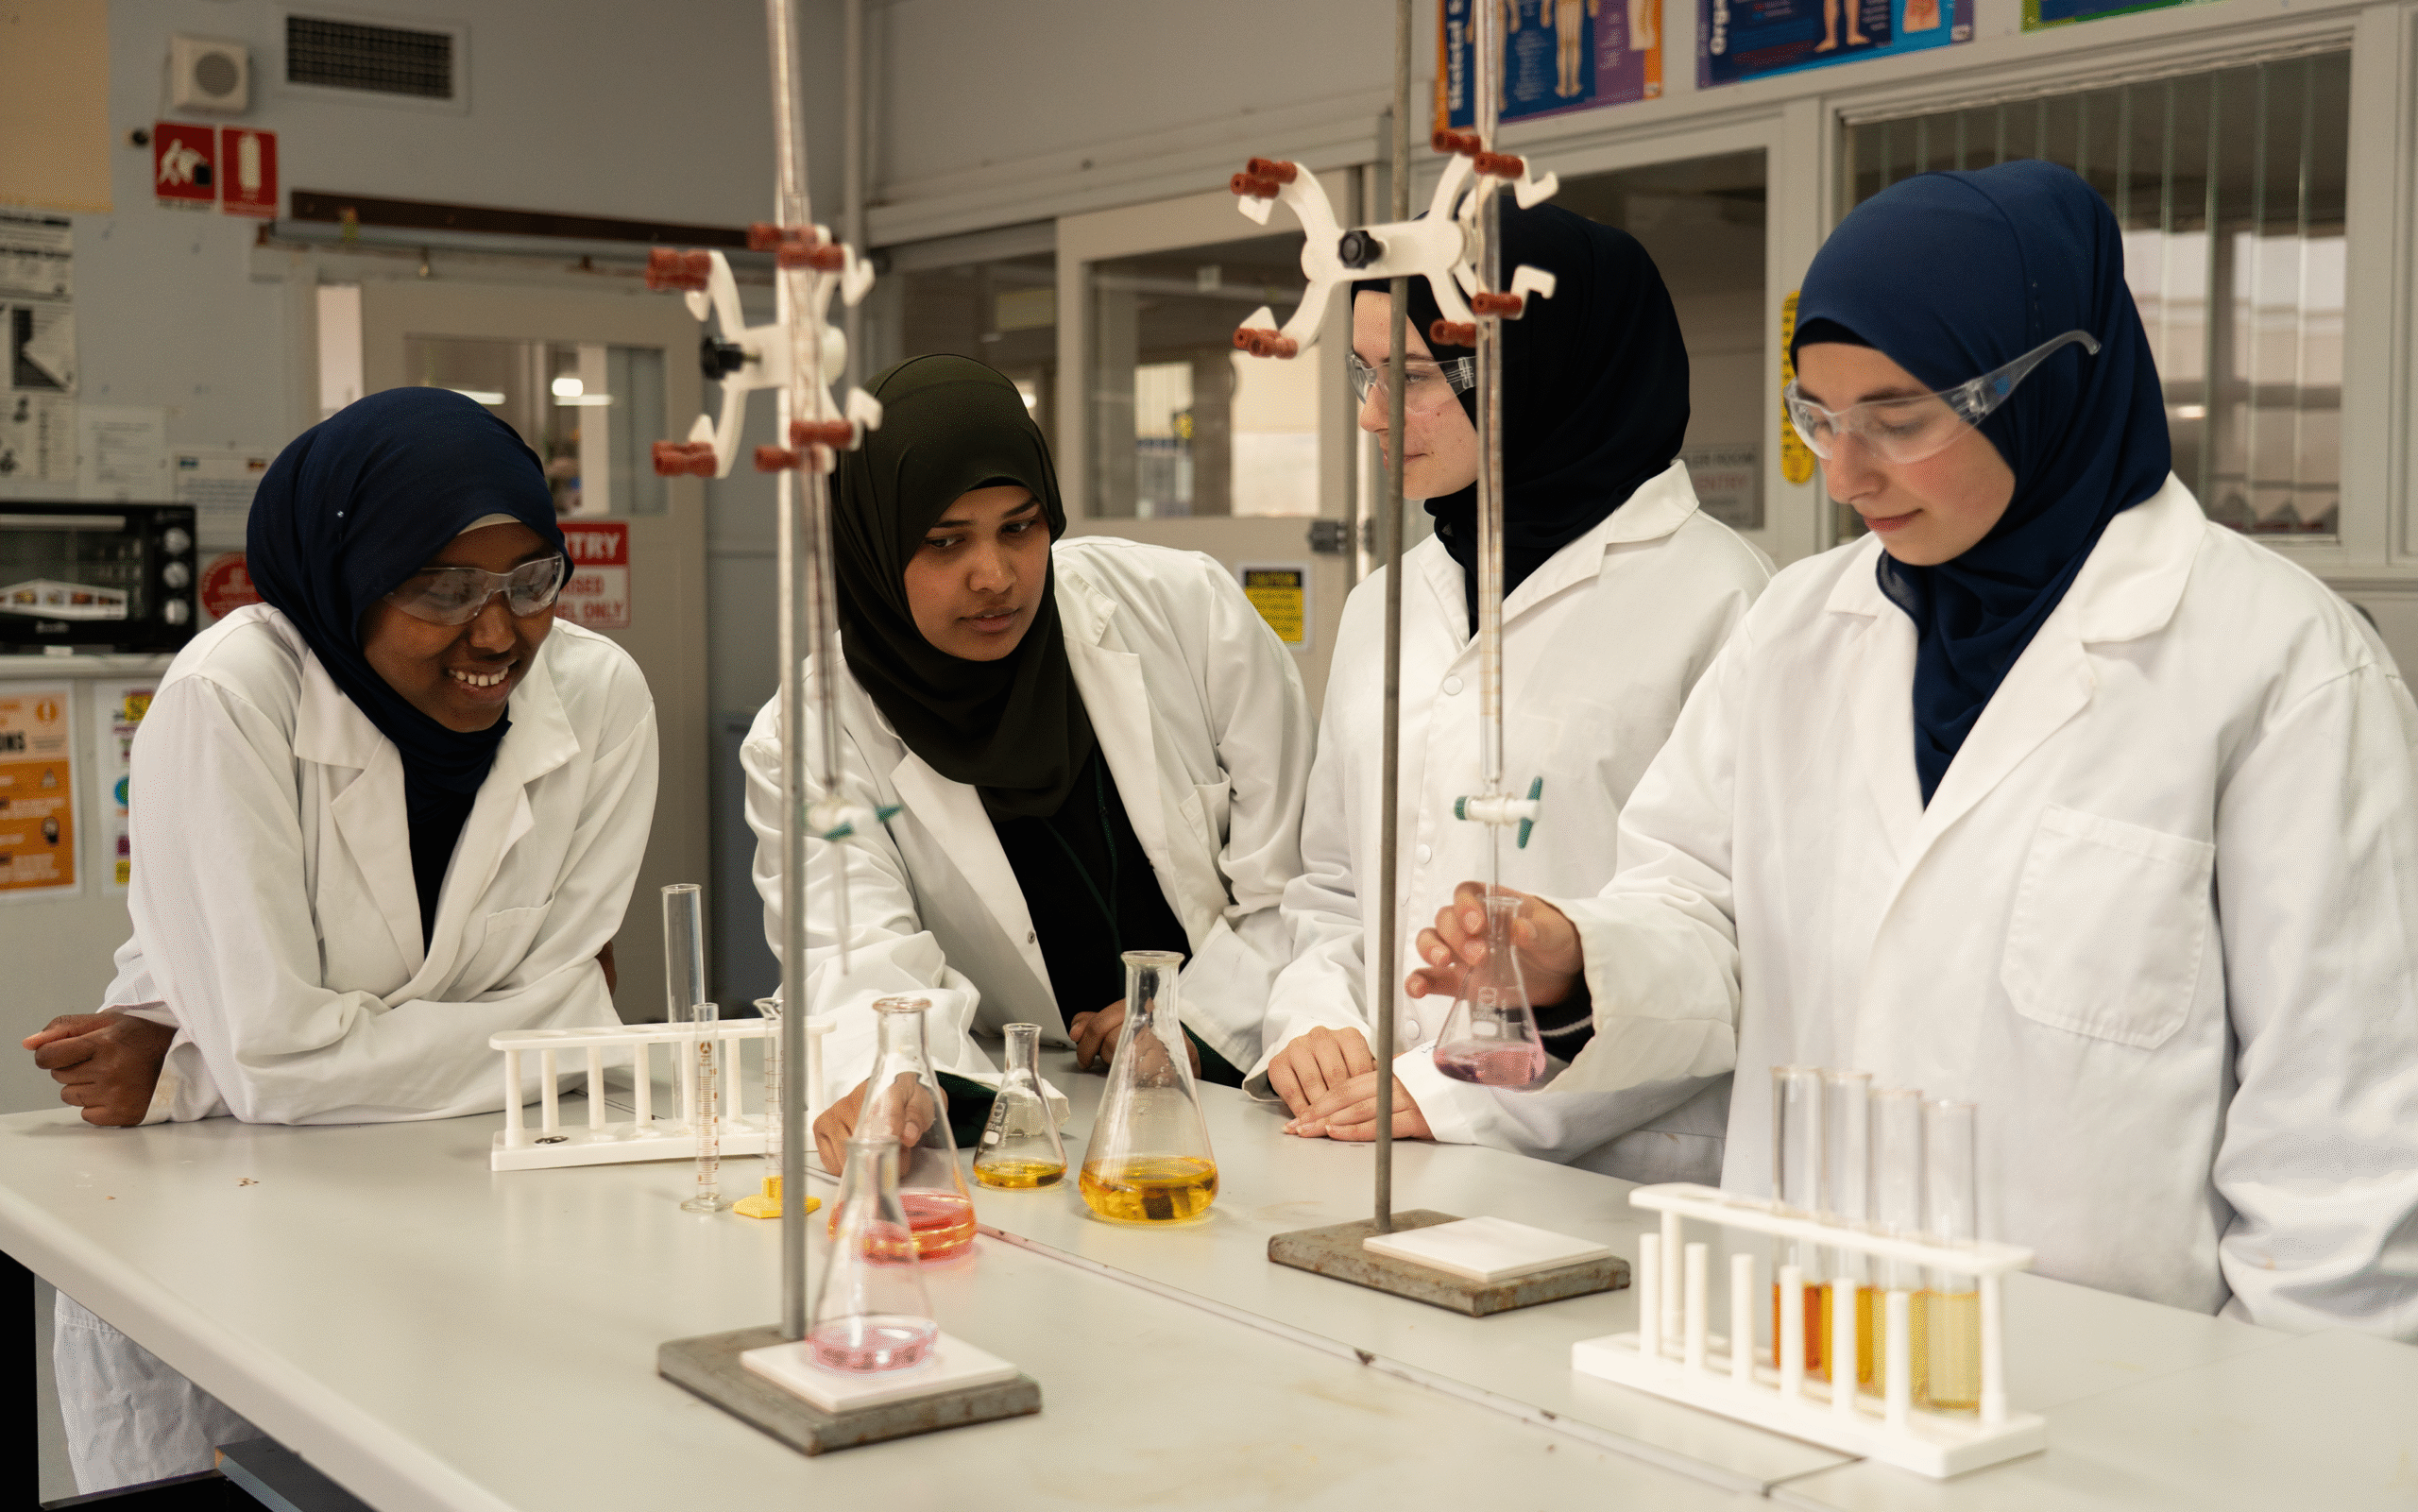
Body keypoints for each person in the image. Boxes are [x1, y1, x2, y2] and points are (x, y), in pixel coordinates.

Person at [1413, 161, 2418, 1334]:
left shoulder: (2277, 665)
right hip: (1798, 1338)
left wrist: (2278, 1424)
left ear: (2057, 381)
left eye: (1897, 420)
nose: (1846, 474)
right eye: (1817, 420)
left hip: (2111, 1391)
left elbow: (2341, 1137)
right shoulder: (1799, 625)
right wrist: (1578, 962)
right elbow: (1698, 906)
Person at [24, 386, 657, 1491]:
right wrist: (239, 1069)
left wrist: (190, 1064)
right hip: (226, 1225)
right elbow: (284, 1059)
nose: (497, 632)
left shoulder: (601, 699)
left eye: (528, 581)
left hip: (479, 1215)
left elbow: (583, 1021)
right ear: (348, 576)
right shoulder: (231, 697)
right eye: (442, 587)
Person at [1252, 203, 1771, 1184]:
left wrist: (1453, 1093)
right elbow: (1331, 887)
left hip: (1611, 1173)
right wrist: (1318, 1017)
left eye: (1411, 379)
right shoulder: (1388, 600)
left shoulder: (1726, 601)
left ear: (1548, 367)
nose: (1372, 416)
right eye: (1362, 375)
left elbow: (1730, 946)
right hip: (1366, 1140)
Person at [742, 355, 1313, 1170]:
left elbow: (1303, 874)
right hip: (1038, 1121)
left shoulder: (1185, 610)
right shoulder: (813, 738)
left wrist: (1193, 1024)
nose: (996, 575)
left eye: (1020, 526)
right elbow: (856, 955)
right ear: (871, 547)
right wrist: (906, 1077)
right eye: (945, 542)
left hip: (1252, 1087)